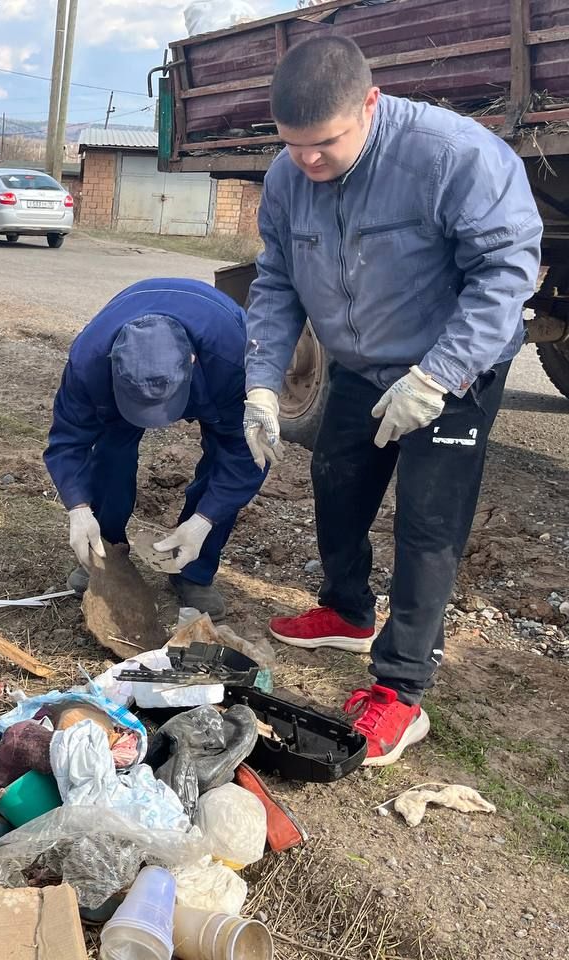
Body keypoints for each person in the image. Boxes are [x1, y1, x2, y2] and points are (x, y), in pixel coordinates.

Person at [242, 36, 541, 765]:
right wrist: (260, 380)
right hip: (361, 364)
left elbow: (507, 273)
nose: (307, 162)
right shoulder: (289, 176)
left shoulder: (451, 157)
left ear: (370, 105)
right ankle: (347, 609)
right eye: (292, 146)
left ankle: (402, 693)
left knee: (427, 524)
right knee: (336, 481)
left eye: (325, 144)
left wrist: (436, 377)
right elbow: (278, 281)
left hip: (455, 371)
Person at [44, 279, 266, 621]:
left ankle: (194, 569)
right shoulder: (89, 363)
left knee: (224, 455)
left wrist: (205, 520)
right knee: (110, 451)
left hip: (216, 364)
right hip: (126, 365)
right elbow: (67, 440)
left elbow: (245, 455)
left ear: (191, 361)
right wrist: (78, 506)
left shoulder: (234, 362)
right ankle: (105, 551)